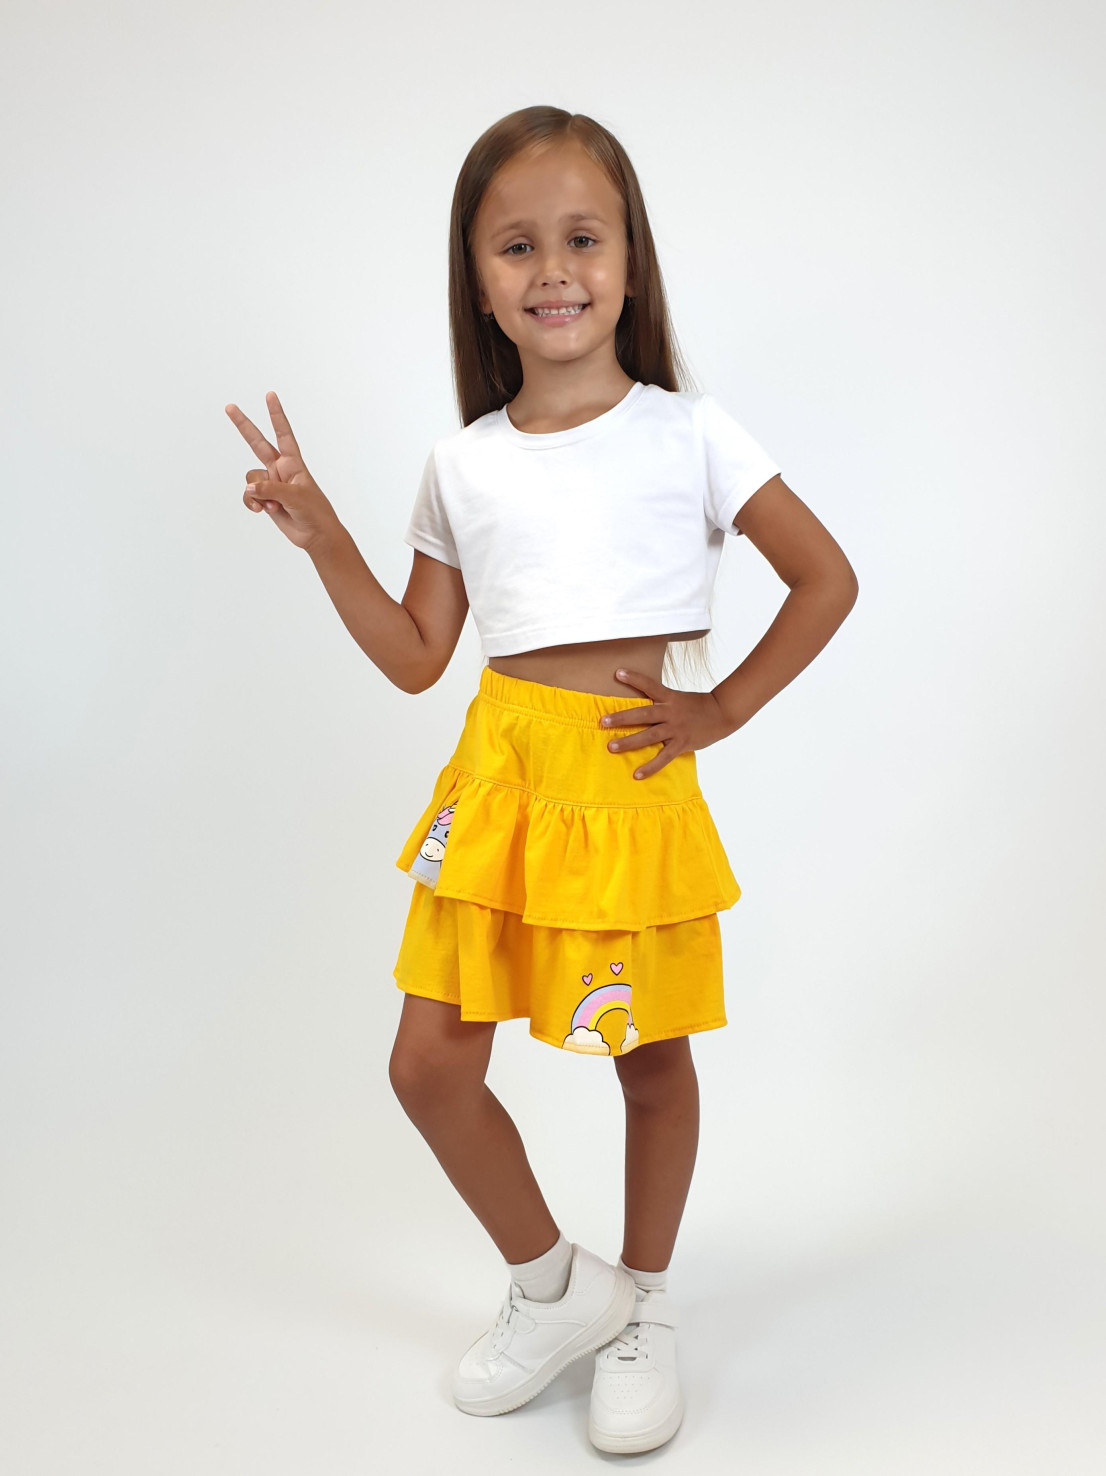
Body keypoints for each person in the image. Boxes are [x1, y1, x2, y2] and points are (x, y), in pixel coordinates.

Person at [225, 105, 858, 1456]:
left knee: (649, 1058)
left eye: (583, 239)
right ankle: (556, 1285)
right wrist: (322, 532)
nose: (553, 269)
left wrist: (719, 708)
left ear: (629, 263)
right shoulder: (463, 463)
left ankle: (647, 1307)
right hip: (500, 779)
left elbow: (825, 577)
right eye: (517, 246)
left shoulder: (692, 434)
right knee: (428, 1064)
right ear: (478, 279)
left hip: (626, 780)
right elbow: (417, 657)